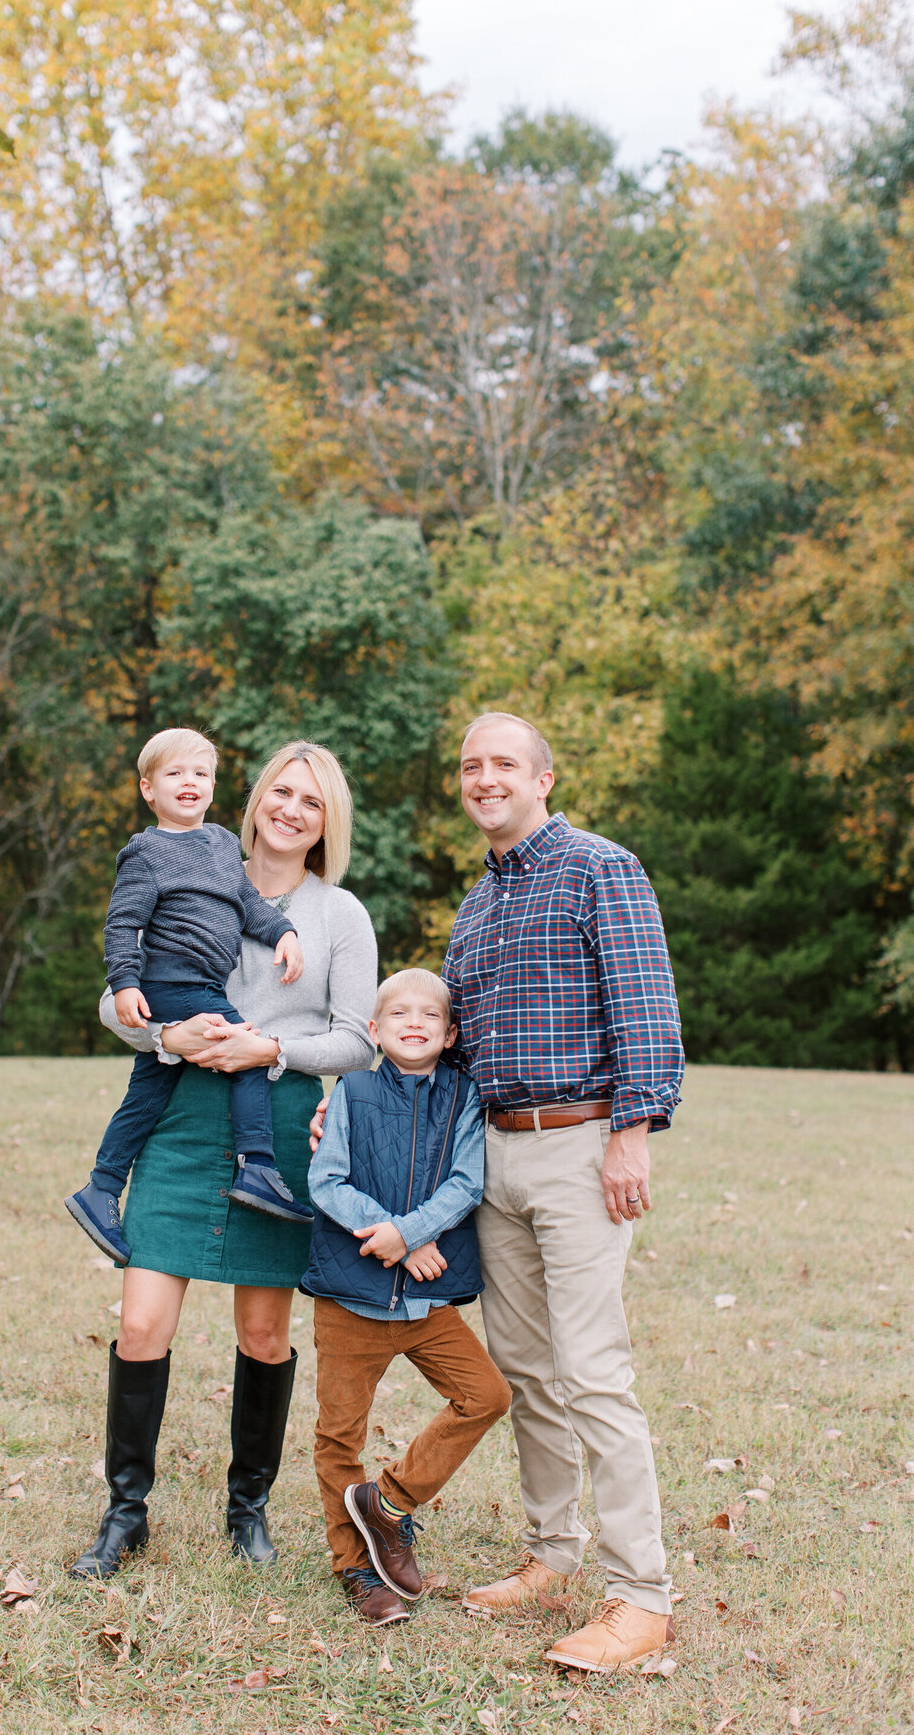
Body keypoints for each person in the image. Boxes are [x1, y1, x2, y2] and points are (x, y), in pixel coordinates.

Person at [69, 740, 377, 1580]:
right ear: (254, 799)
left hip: (273, 1128)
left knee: (264, 1330)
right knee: (140, 1323)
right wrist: (164, 1033)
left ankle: (248, 1509)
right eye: (280, 791)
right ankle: (124, 1513)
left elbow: (358, 1040)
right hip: (176, 1108)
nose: (291, 809)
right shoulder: (190, 857)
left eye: (310, 802)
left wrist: (265, 1046)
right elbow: (117, 992)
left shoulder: (337, 914)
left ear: (326, 821)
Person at [444, 712, 685, 1674]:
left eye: (504, 763)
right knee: (528, 1370)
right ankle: (551, 1552)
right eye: (471, 766)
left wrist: (632, 1132)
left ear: (545, 778)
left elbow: (645, 1001)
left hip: (584, 1144)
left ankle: (642, 1598)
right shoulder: (475, 904)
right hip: (495, 1157)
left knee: (592, 1372)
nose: (485, 778)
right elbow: (453, 1046)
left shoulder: (600, 867)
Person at [303, 969, 512, 1627]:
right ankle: (359, 1572)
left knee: (487, 1395)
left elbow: (465, 1183)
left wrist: (411, 1231)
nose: (413, 1021)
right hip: (350, 1300)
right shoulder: (353, 1092)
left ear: (451, 1034)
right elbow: (328, 1180)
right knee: (339, 1437)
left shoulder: (465, 1096)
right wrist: (391, 1237)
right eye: (398, 1013)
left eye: (429, 1014)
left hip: (428, 1306)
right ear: (374, 1029)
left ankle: (388, 1503)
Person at [65, 727, 309, 1263]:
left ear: (214, 787)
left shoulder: (224, 843)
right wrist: (125, 982)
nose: (189, 783)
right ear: (148, 789)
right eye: (175, 774)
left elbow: (247, 901)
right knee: (243, 1049)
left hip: (199, 984)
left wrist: (283, 931)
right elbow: (122, 924)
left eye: (200, 773)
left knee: (148, 1093)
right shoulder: (145, 852)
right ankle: (258, 1167)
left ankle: (102, 1186)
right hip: (173, 982)